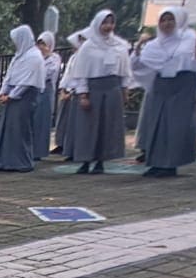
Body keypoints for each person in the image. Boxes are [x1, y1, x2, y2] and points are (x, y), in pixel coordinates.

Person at [131, 8, 196, 177]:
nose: (167, 24)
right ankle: (157, 162)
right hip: (161, 86)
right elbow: (138, 66)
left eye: (170, 19)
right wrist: (138, 47)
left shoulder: (189, 40)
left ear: (178, 21)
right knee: (157, 124)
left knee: (176, 127)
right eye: (163, 20)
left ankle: (171, 164)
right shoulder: (154, 45)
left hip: (183, 86)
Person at [65, 10, 133, 174]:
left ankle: (101, 161)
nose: (108, 26)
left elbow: (124, 70)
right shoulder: (88, 46)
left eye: (111, 23)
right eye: (105, 23)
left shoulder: (119, 46)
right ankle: (86, 160)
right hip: (94, 89)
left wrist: (124, 91)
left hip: (112, 88)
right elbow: (81, 72)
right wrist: (83, 94)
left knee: (107, 125)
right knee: (88, 126)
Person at [0, 25, 46, 173]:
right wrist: (3, 92)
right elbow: (9, 76)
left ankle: (22, 161)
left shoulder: (34, 57)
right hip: (13, 96)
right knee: (9, 130)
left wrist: (12, 95)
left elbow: (27, 82)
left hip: (25, 98)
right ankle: (6, 161)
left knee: (21, 130)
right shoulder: (18, 56)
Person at [52, 32, 85, 159]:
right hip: (67, 91)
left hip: (75, 92)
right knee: (63, 120)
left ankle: (73, 147)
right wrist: (63, 88)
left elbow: (79, 77)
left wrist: (71, 91)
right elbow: (67, 74)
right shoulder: (73, 57)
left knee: (73, 122)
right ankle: (62, 143)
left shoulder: (83, 58)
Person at [33, 32, 61, 160]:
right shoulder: (34, 57)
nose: (41, 47)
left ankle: (40, 151)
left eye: (43, 44)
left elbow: (48, 74)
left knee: (42, 121)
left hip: (46, 91)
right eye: (39, 44)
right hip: (35, 91)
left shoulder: (54, 58)